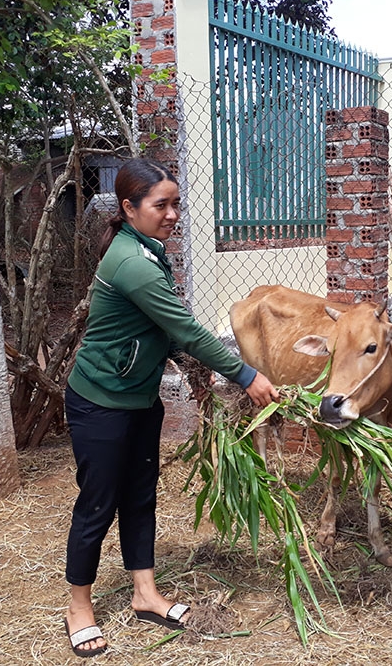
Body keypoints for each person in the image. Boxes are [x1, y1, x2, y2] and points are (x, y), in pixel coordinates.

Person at [62, 158, 278, 658]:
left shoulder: (147, 248)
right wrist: (247, 375)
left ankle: (145, 593)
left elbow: (162, 329)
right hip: (100, 402)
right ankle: (79, 608)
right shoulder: (132, 262)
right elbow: (185, 329)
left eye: (176, 203)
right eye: (162, 204)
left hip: (138, 397)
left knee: (140, 497)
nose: (173, 213)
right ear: (129, 208)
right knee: (98, 504)